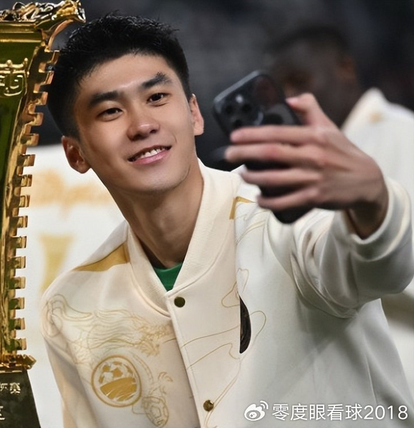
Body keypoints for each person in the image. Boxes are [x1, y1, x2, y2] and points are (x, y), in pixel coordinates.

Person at [39, 15, 414, 428]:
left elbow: (380, 269)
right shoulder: (72, 307)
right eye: (110, 111)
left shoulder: (285, 213)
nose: (142, 125)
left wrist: (374, 201)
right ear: (75, 153)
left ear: (194, 113)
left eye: (157, 97)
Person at [266, 25, 414, 390]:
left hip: (401, 347)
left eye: (300, 81)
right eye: (280, 89)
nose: (290, 98)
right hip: (334, 356)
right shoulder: (308, 154)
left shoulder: (402, 133)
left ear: (345, 68)